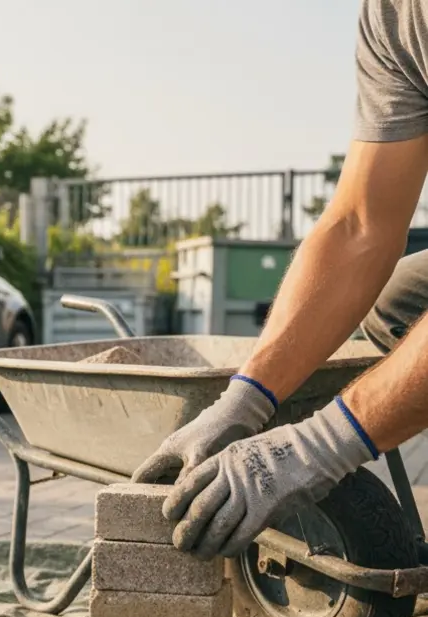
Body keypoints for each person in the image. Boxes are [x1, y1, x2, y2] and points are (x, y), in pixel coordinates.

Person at [133, 0, 428, 559]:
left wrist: (322, 443)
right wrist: (245, 400)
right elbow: (359, 224)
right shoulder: (399, 15)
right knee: (401, 307)